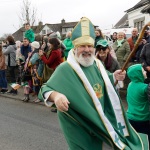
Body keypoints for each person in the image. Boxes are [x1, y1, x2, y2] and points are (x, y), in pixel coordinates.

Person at [38, 17, 148, 150]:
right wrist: (56, 96)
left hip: (97, 119)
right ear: (75, 47)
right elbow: (44, 89)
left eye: (90, 46)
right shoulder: (65, 68)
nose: (87, 50)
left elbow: (103, 81)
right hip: (77, 122)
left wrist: (114, 76)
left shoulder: (96, 64)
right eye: (82, 46)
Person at [126, 64, 150, 144]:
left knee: (135, 142)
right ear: (137, 74)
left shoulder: (130, 84)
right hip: (143, 119)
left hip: (130, 118)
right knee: (145, 142)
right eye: (143, 71)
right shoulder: (144, 88)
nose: (145, 72)